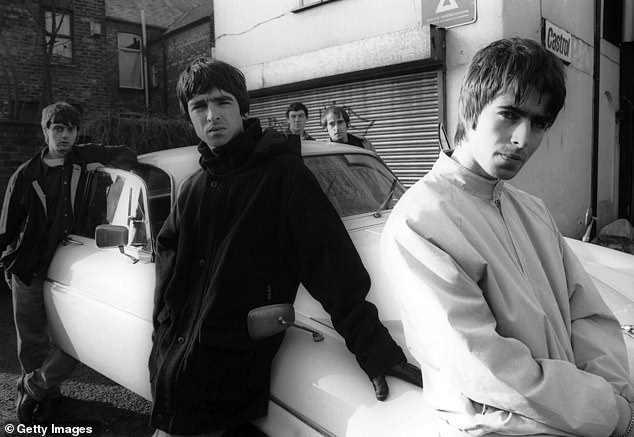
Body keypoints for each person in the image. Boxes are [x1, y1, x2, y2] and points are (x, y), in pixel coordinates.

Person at [149, 58, 419, 436]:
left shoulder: (282, 176)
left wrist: (375, 350)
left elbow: (331, 264)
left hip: (228, 381)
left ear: (243, 108)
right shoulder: (192, 190)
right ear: (189, 117)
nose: (212, 115)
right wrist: (162, 338)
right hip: (174, 371)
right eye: (199, 107)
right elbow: (167, 277)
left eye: (222, 102)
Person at [381, 37, 634, 436]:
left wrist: (614, 396)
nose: (523, 139)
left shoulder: (532, 210)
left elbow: (587, 315)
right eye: (510, 114)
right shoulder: (419, 222)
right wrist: (610, 412)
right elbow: (485, 368)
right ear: (471, 109)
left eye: (539, 123)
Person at [0, 101, 137, 425]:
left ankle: (36, 387)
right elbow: (6, 227)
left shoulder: (83, 158)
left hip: (71, 268)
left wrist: (99, 165)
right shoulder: (26, 174)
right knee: (32, 341)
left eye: (70, 129)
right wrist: (6, 262)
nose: (64, 136)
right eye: (57, 129)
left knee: (76, 337)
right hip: (30, 270)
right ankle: (46, 396)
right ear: (45, 131)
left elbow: (127, 154)